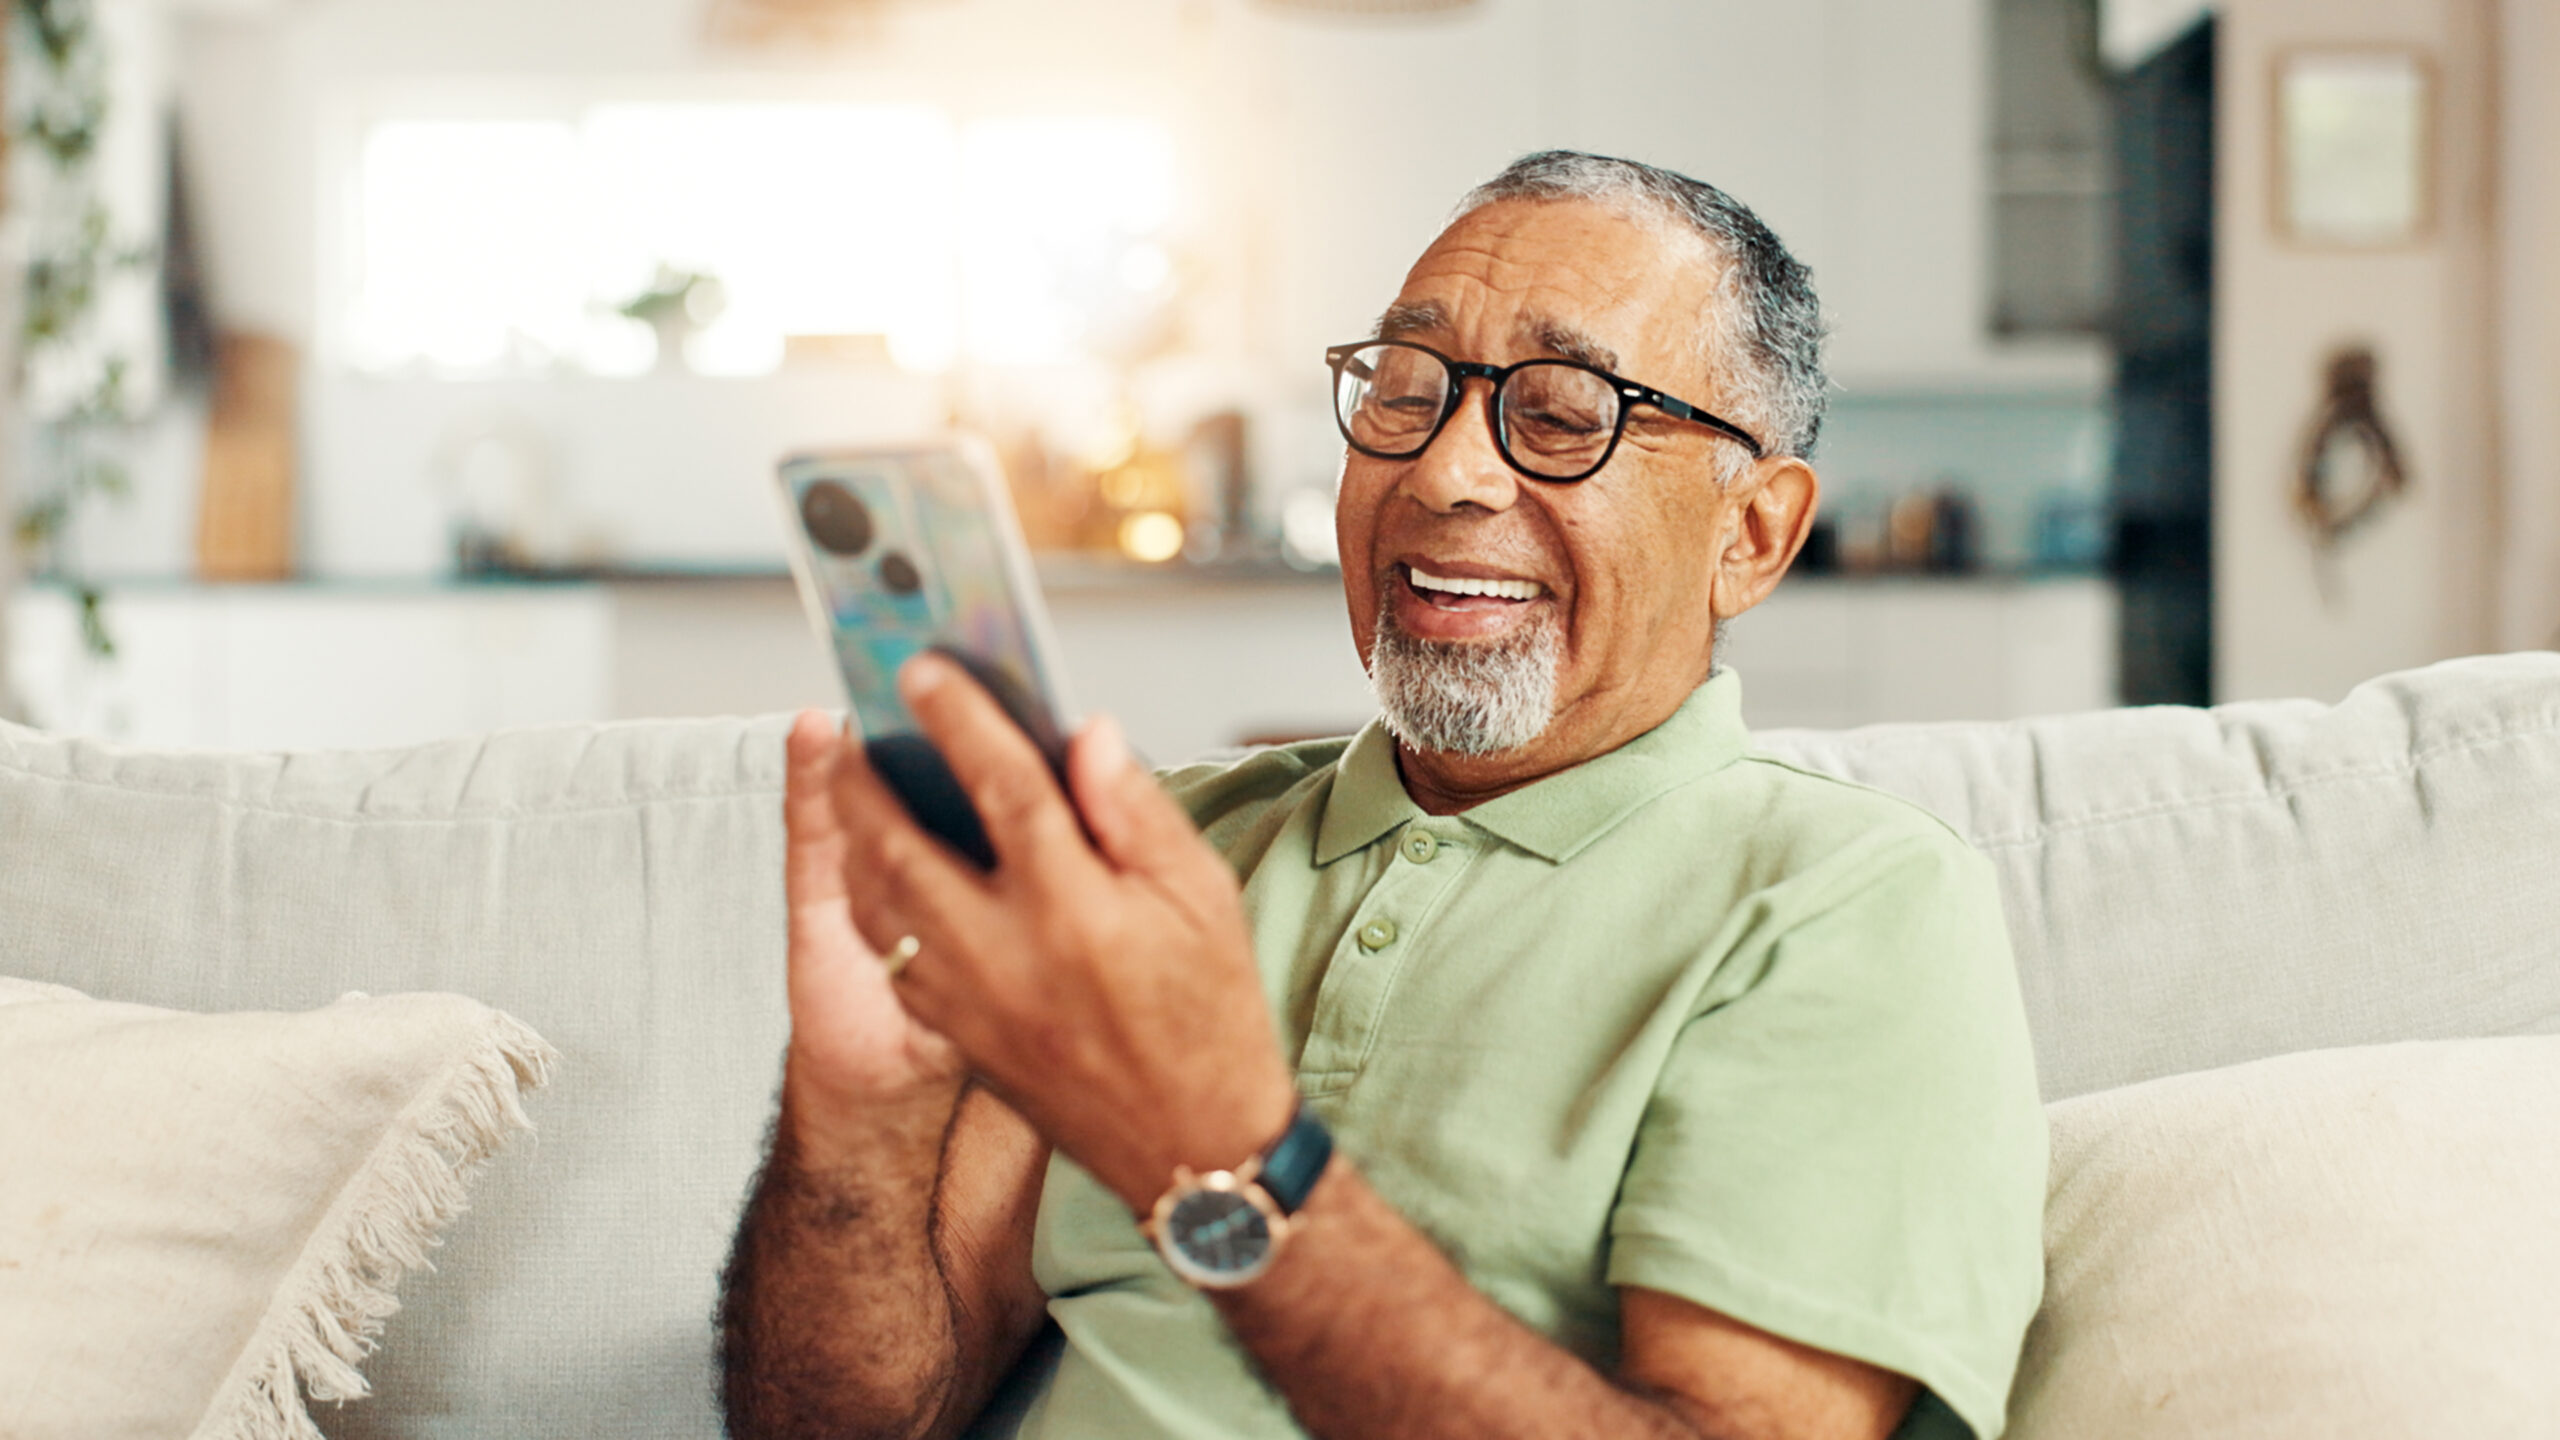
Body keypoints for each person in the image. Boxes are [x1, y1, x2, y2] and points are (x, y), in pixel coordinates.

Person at [718, 150, 2047, 1440]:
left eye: (1563, 415)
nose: (1442, 474)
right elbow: (847, 1419)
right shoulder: (1165, 847)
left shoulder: (1847, 902)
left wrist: (1227, 1148)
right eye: (1406, 391)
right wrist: (861, 1107)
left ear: (1750, 534)